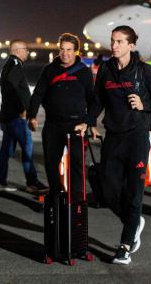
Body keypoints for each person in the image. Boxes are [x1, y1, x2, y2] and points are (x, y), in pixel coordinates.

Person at [88, 25, 151, 265]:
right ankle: (134, 221)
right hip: (113, 137)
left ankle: (124, 246)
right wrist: (89, 121)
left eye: (119, 42)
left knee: (135, 194)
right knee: (108, 191)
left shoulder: (144, 71)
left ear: (131, 46)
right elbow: (98, 100)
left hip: (137, 138)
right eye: (113, 41)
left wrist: (145, 105)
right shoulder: (105, 69)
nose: (114, 46)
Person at [27, 33, 95, 198]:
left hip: (76, 125)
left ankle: (76, 199)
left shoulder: (84, 72)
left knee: (77, 165)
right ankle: (56, 197)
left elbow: (93, 100)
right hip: (53, 125)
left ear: (76, 52)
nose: (65, 53)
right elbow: (38, 93)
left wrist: (90, 123)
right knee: (51, 164)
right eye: (62, 49)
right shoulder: (49, 70)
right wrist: (32, 115)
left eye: (69, 50)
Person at [0, 40, 48, 195]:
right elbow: (13, 90)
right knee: (27, 149)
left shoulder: (8, 65)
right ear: (17, 50)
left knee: (6, 151)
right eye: (25, 49)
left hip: (7, 116)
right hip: (16, 117)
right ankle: (32, 182)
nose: (27, 52)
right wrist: (23, 110)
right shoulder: (15, 66)